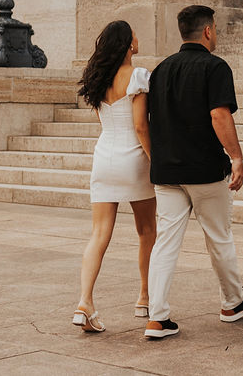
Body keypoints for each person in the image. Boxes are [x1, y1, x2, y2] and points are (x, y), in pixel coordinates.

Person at [143, 5, 243, 340]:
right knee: (219, 238)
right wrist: (237, 157)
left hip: (166, 171)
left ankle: (157, 318)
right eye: (217, 29)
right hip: (206, 171)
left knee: (165, 244)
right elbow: (219, 115)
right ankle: (232, 303)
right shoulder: (215, 67)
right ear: (208, 30)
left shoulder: (160, 69)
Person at [72, 20, 157, 333]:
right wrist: (155, 160)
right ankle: (144, 297)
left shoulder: (97, 78)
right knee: (147, 229)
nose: (138, 36)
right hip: (133, 158)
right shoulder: (138, 75)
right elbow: (140, 126)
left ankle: (85, 301)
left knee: (98, 233)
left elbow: (106, 122)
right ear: (128, 44)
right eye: (134, 32)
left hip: (104, 156)